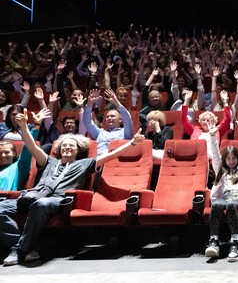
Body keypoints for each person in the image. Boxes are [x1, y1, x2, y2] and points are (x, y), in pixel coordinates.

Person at [1, 109, 145, 266]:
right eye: (64, 146)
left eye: (71, 146)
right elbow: (32, 147)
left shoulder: (84, 163)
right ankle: (23, 246)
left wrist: (132, 143)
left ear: (78, 150)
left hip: (59, 200)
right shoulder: (49, 161)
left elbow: (111, 155)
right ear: (59, 149)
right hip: (34, 196)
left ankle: (20, 251)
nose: (67, 148)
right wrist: (23, 127)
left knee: (41, 204)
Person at [204, 119, 238, 262]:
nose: (231, 161)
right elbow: (215, 154)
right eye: (228, 159)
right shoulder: (221, 171)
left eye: (234, 158)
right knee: (216, 205)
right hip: (226, 197)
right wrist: (212, 136)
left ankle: (235, 243)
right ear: (225, 160)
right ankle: (214, 241)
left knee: (231, 204)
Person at [82, 88, 134, 155]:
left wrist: (117, 103)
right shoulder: (100, 132)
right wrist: (89, 104)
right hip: (99, 161)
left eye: (112, 116)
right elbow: (87, 121)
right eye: (107, 117)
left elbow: (128, 119)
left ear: (120, 120)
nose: (109, 118)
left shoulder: (125, 132)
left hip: (116, 160)